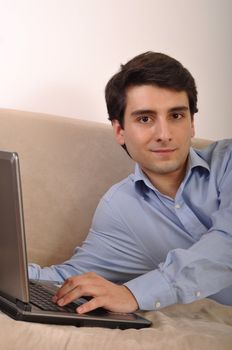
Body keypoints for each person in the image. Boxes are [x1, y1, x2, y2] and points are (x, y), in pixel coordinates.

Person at [29, 51, 232, 315]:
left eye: (176, 116)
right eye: (145, 119)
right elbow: (67, 277)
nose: (164, 134)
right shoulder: (119, 208)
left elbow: (227, 244)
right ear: (119, 131)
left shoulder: (227, 161)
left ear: (192, 123)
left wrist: (134, 294)